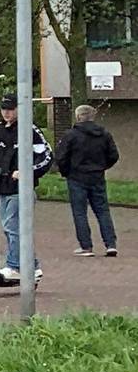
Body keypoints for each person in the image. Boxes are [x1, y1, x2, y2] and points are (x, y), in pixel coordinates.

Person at [0, 95, 54, 282]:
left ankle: (16, 266)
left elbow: (46, 157)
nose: (7, 112)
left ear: (19, 109)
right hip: (0, 186)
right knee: (8, 228)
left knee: (12, 226)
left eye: (11, 109)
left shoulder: (30, 131)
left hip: (21, 189)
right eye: (4, 109)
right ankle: (32, 266)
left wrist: (26, 171)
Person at [54, 103, 120, 258]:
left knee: (80, 212)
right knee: (103, 210)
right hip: (97, 176)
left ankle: (86, 246)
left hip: (77, 177)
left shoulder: (71, 135)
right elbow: (114, 155)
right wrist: (102, 167)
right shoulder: (104, 134)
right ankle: (110, 244)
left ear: (78, 117)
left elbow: (61, 157)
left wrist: (66, 172)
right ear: (93, 116)